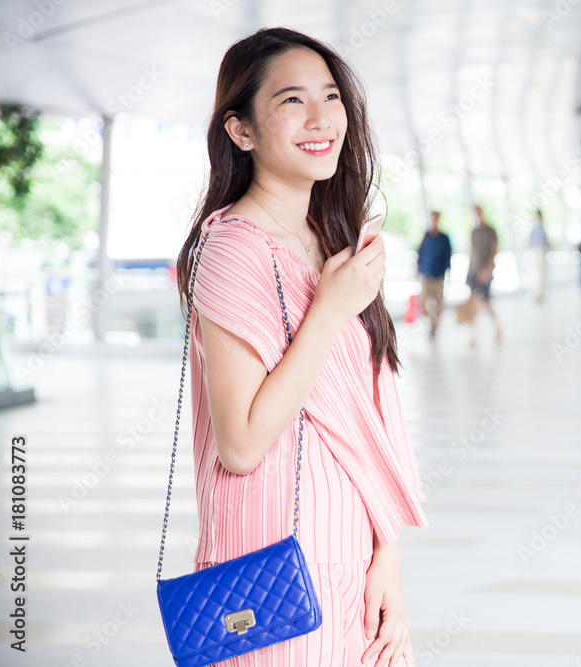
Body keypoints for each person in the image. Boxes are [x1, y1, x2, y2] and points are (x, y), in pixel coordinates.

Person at [174, 28, 426, 667]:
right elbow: (241, 443)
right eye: (292, 100)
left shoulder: (331, 239)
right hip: (272, 564)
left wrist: (386, 557)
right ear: (242, 131)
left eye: (332, 96)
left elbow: (367, 419)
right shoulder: (234, 249)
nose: (322, 119)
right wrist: (329, 312)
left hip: (349, 554)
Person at [465, 204, 502, 345]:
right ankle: (473, 334)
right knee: (472, 303)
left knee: (485, 302)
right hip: (473, 272)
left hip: (485, 272)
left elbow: (494, 251)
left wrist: (487, 271)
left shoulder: (491, 231)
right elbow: (472, 252)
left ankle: (497, 327)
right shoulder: (474, 232)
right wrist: (468, 272)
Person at [416, 210, 451, 339]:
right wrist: (418, 270)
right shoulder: (426, 236)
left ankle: (435, 327)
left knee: (439, 303)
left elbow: (448, 257)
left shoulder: (444, 238)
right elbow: (421, 254)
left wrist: (446, 274)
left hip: (438, 276)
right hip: (426, 275)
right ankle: (432, 321)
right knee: (423, 304)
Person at [530, 209, 550, 303]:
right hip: (540, 251)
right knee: (541, 273)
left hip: (535, 251)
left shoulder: (534, 228)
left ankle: (538, 293)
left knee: (538, 273)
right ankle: (539, 294)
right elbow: (545, 241)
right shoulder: (540, 227)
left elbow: (529, 241)